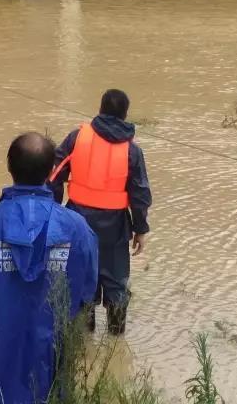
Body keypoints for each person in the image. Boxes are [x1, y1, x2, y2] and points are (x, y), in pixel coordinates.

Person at [0, 132, 98, 404]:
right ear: (53, 171)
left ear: (9, 166)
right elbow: (87, 294)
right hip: (53, 351)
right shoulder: (77, 228)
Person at [49, 89, 152, 335]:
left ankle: (84, 343)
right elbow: (140, 195)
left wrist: (53, 211)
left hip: (77, 224)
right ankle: (115, 343)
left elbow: (54, 175)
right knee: (116, 284)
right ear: (125, 115)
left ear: (100, 108)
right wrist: (140, 229)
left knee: (84, 279)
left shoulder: (77, 137)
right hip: (115, 228)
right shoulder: (132, 151)